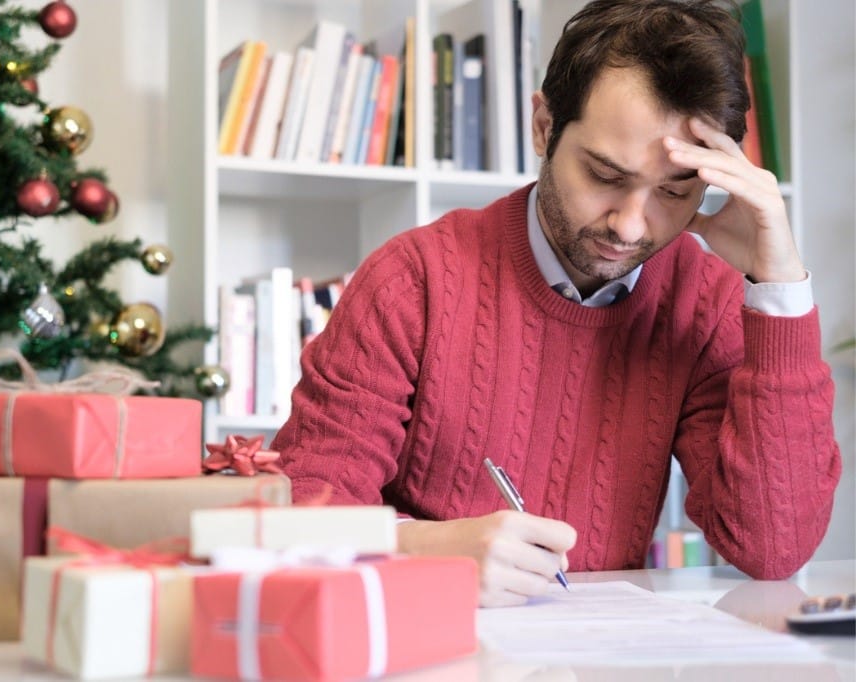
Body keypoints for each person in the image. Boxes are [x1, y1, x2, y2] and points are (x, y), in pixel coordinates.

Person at [271, 0, 841, 607]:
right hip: (431, 640)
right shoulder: (413, 281)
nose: (628, 226)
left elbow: (773, 547)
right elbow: (304, 503)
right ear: (543, 127)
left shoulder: (704, 301)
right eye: (604, 175)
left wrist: (777, 287)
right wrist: (423, 550)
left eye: (674, 193)